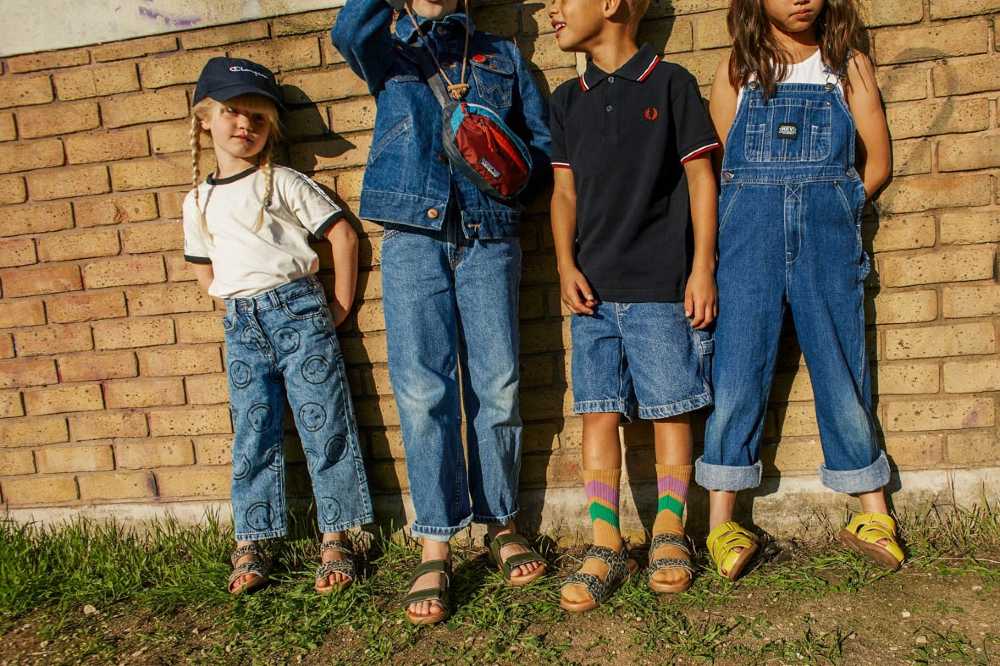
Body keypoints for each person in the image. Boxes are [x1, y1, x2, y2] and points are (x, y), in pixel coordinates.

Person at [332, 0, 552, 625]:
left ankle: (500, 522)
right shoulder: (387, 48)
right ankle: (435, 542)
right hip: (412, 236)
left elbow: (539, 151)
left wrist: (509, 168)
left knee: (499, 384)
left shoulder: (501, 57)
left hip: (490, 237)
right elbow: (349, 29)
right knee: (423, 391)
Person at [698, 0, 902, 580]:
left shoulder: (847, 65)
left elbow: (878, 162)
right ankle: (721, 521)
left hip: (826, 238)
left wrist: (836, 208)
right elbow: (715, 171)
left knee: (840, 365)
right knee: (738, 369)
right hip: (747, 242)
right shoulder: (738, 68)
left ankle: (871, 508)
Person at [548, 0, 720, 611]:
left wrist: (702, 269)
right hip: (591, 297)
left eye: (560, 0)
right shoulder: (567, 100)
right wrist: (565, 265)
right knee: (597, 413)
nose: (550, 11)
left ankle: (670, 530)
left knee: (670, 411)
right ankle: (604, 542)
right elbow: (563, 191)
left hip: (660, 290)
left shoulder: (671, 84)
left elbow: (703, 180)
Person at [182, 57, 373, 595]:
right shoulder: (197, 201)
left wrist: (338, 305)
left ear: (271, 129)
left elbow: (342, 235)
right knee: (253, 431)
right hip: (243, 324)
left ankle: (338, 536)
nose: (244, 126)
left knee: (323, 425)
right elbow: (201, 265)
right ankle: (255, 538)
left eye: (258, 119)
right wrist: (229, 304)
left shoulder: (283, 183)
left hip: (298, 314)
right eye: (232, 113)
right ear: (204, 120)